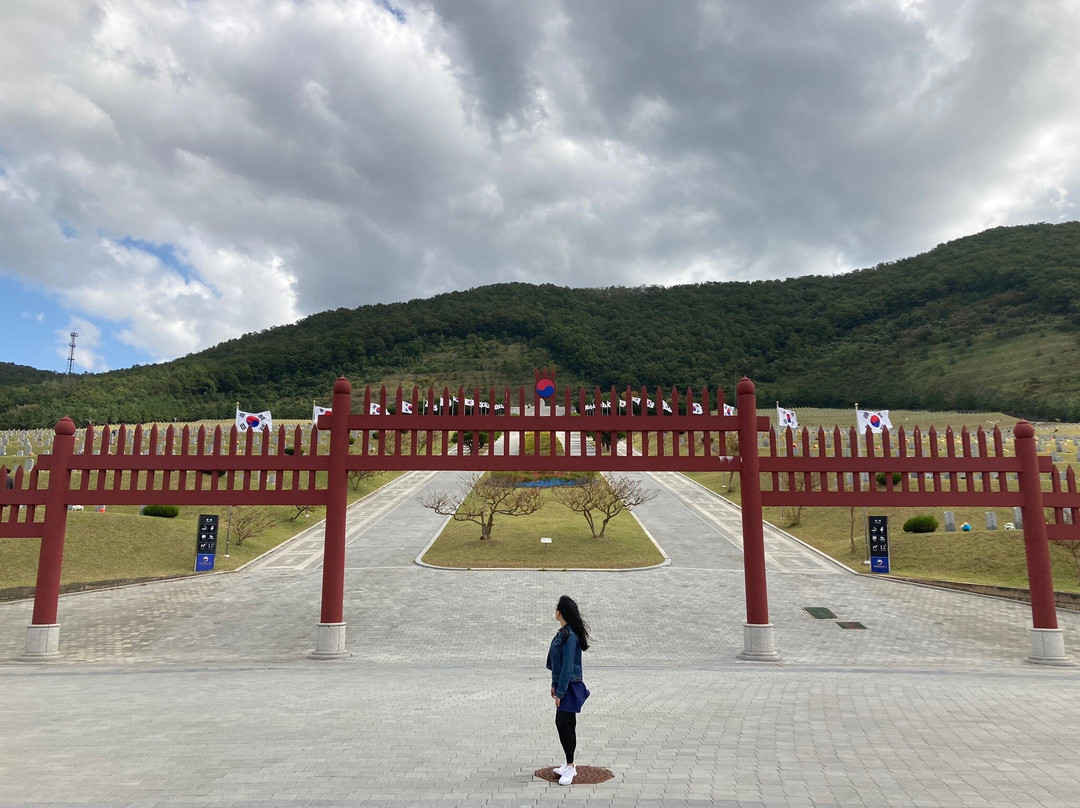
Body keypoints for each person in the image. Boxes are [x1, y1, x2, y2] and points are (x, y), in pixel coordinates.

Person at [546, 595, 591, 785]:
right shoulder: (563, 632)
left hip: (570, 686)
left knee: (562, 722)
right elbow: (556, 663)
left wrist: (560, 692)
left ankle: (571, 767)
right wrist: (554, 685)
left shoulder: (569, 636)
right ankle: (569, 762)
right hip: (564, 684)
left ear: (560, 613)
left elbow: (566, 667)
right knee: (568, 722)